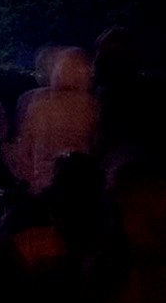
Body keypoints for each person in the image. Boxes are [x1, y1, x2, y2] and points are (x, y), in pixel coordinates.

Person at [10, 45, 100, 194]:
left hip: (55, 182)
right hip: (74, 183)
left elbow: (25, 149)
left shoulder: (37, 102)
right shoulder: (90, 106)